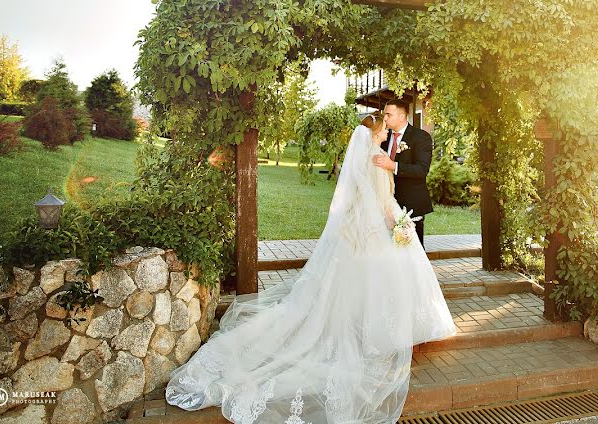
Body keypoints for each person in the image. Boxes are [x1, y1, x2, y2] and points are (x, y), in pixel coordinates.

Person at [164, 112, 456, 424]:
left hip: (355, 234)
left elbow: (355, 200)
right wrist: (399, 229)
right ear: (377, 133)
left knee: (350, 283)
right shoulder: (378, 160)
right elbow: (384, 203)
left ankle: (358, 327)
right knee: (386, 279)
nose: (386, 130)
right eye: (384, 127)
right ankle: (379, 334)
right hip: (377, 230)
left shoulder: (361, 159)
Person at [373, 99, 434, 248]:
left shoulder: (421, 137)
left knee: (414, 250)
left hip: (411, 204)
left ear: (401, 116)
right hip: (386, 205)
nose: (385, 118)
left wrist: (393, 165)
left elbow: (421, 170)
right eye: (384, 115)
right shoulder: (383, 138)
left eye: (388, 114)